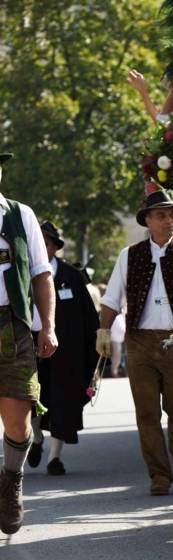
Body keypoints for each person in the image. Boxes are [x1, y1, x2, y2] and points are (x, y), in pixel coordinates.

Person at [97, 190, 173, 496]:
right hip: (139, 343)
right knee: (146, 414)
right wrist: (103, 332)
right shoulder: (129, 255)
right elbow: (111, 299)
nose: (169, 220)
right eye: (161, 215)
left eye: (172, 214)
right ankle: (159, 475)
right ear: (147, 220)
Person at [0, 152, 58, 535]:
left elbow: (41, 274)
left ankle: (11, 480)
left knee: (18, 422)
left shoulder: (20, 215)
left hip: (13, 325)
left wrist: (47, 326)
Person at [26, 222, 98, 476]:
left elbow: (90, 317)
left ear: (55, 248)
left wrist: (97, 349)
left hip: (66, 356)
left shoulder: (71, 276)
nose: (41, 247)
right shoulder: (21, 276)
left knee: (63, 404)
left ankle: (54, 458)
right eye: (38, 243)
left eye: (46, 243)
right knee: (30, 401)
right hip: (31, 352)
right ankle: (36, 438)